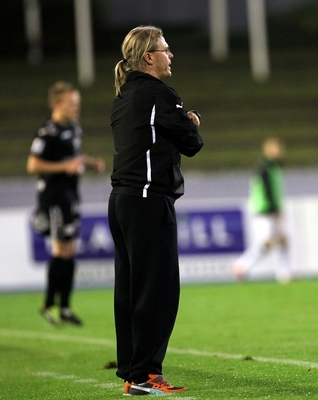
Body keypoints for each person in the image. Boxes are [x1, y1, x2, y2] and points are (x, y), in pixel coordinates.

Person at [108, 25, 203, 396]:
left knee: (130, 290)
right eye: (165, 49)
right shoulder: (159, 93)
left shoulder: (123, 95)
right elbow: (191, 143)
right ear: (149, 57)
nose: (170, 55)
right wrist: (191, 122)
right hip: (148, 202)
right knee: (158, 290)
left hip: (121, 201)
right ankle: (146, 373)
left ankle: (133, 371)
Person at [28, 81, 105, 327]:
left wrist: (90, 163)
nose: (76, 108)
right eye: (71, 104)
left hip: (70, 196)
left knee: (70, 250)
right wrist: (65, 167)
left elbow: (74, 158)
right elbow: (33, 165)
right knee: (61, 249)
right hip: (53, 198)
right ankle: (49, 304)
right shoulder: (47, 132)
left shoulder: (74, 128)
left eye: (77, 103)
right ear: (57, 104)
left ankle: (65, 306)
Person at [232, 137, 291, 284]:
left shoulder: (274, 167)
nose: (280, 152)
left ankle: (284, 274)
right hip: (264, 210)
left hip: (270, 209)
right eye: (277, 149)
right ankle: (241, 265)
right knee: (266, 243)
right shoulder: (264, 167)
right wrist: (274, 209)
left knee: (282, 240)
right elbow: (266, 190)